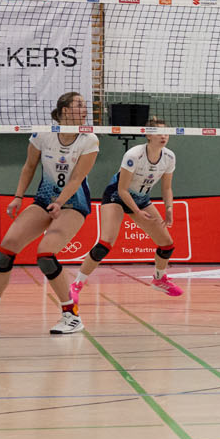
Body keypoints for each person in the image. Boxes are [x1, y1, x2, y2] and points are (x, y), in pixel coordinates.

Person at [0, 92, 98, 334]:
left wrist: (60, 202)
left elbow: (77, 178)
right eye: (79, 105)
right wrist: (18, 197)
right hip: (44, 199)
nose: (85, 109)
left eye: (85, 105)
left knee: (45, 255)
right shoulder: (43, 134)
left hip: (73, 204)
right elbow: (29, 167)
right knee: (5, 250)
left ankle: (72, 317)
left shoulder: (89, 139)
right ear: (65, 110)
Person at [70, 117, 181, 302]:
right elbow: (122, 189)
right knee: (105, 244)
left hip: (141, 199)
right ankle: (76, 284)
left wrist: (169, 208)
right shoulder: (134, 155)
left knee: (167, 244)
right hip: (116, 196)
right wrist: (137, 212)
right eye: (159, 133)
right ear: (148, 135)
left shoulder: (169, 157)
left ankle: (159, 279)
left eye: (166, 133)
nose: (163, 136)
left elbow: (167, 188)